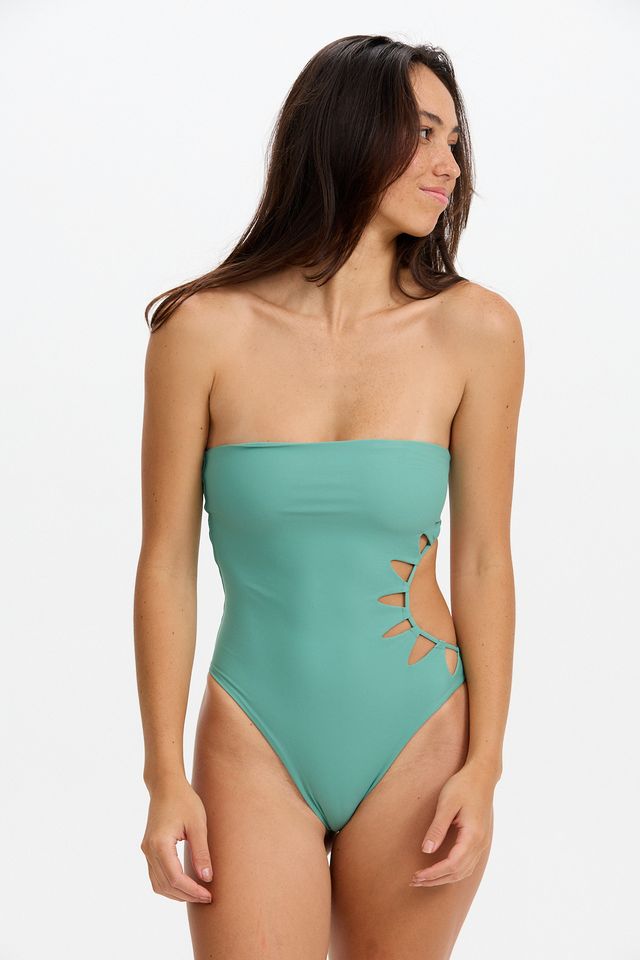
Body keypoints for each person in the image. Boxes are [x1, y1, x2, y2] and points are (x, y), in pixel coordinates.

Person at [134, 33, 525, 959]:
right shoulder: (202, 330)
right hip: (252, 736)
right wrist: (162, 776)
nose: (449, 163)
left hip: (421, 732)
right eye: (422, 132)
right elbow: (164, 562)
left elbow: (484, 559)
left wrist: (485, 766)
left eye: (455, 140)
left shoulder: (476, 331)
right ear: (345, 132)